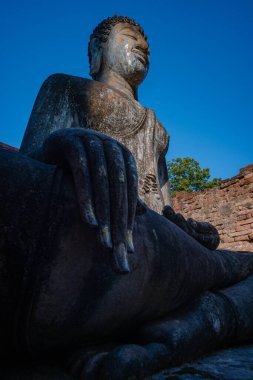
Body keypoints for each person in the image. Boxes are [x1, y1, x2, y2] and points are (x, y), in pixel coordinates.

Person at [1, 15, 253, 380]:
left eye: (147, 43)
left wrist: (187, 229)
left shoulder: (157, 129)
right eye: (130, 36)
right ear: (96, 52)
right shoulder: (65, 88)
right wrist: (58, 146)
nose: (142, 46)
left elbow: (163, 210)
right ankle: (199, 323)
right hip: (96, 236)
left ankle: (196, 323)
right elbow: (28, 174)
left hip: (152, 245)